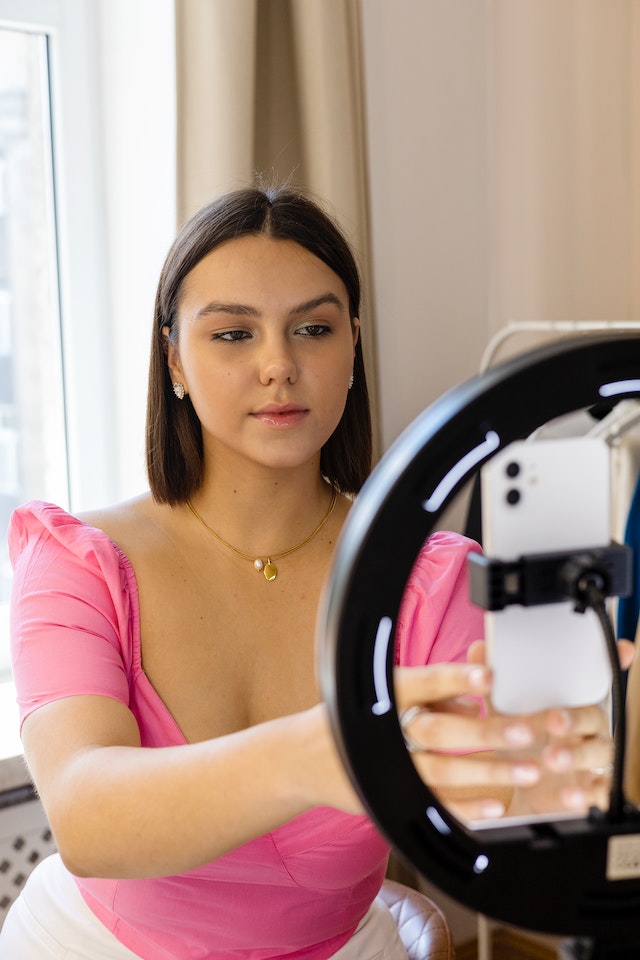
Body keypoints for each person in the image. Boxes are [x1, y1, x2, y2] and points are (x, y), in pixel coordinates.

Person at [1, 185, 624, 960]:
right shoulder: (77, 562)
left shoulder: (429, 585)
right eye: (233, 333)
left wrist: (606, 719)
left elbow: (536, 805)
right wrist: (325, 751)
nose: (279, 365)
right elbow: (88, 821)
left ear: (352, 348)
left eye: (314, 328)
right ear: (175, 362)